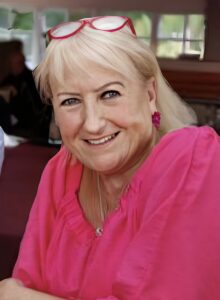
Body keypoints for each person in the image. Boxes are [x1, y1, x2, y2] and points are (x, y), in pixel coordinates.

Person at [0, 16, 220, 300]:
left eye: (110, 94)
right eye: (70, 101)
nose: (92, 124)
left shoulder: (192, 159)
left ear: (150, 94)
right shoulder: (62, 170)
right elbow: (27, 282)